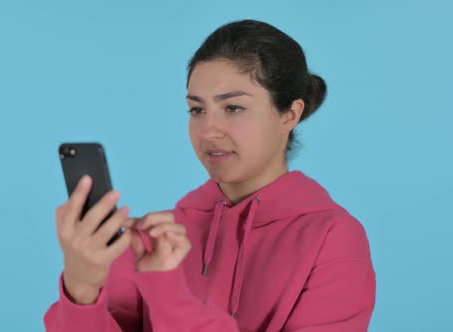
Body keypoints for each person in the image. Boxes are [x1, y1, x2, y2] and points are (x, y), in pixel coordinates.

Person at [44, 19, 376, 332]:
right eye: (197, 110)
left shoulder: (333, 238)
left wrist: (168, 292)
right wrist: (82, 288)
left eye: (233, 107)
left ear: (290, 114)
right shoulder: (155, 240)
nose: (209, 131)